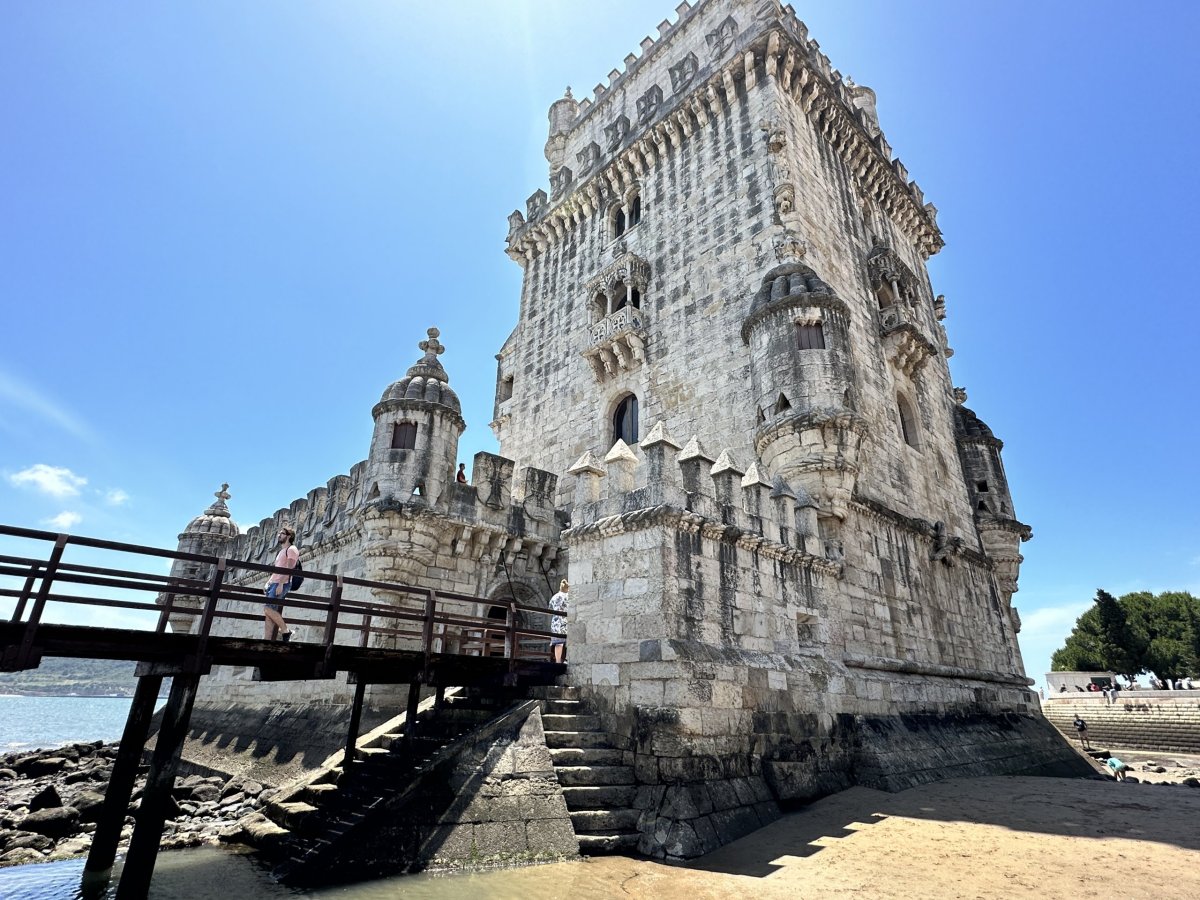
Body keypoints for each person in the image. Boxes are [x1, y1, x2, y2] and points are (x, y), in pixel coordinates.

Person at [264, 525, 299, 641]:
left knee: (268, 609)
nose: (279, 535)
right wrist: (268, 582)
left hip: (282, 583)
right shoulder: (281, 552)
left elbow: (289, 569)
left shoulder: (292, 550)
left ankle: (285, 631)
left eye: (282, 534)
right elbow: (277, 570)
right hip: (274, 583)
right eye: (279, 533)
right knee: (269, 614)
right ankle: (267, 640)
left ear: (289, 536)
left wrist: (280, 584)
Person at [548, 579, 569, 664]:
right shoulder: (568, 596)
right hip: (565, 622)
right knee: (567, 641)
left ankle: (558, 660)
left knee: (558, 643)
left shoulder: (555, 596)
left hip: (555, 622)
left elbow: (549, 608)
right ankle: (566, 659)